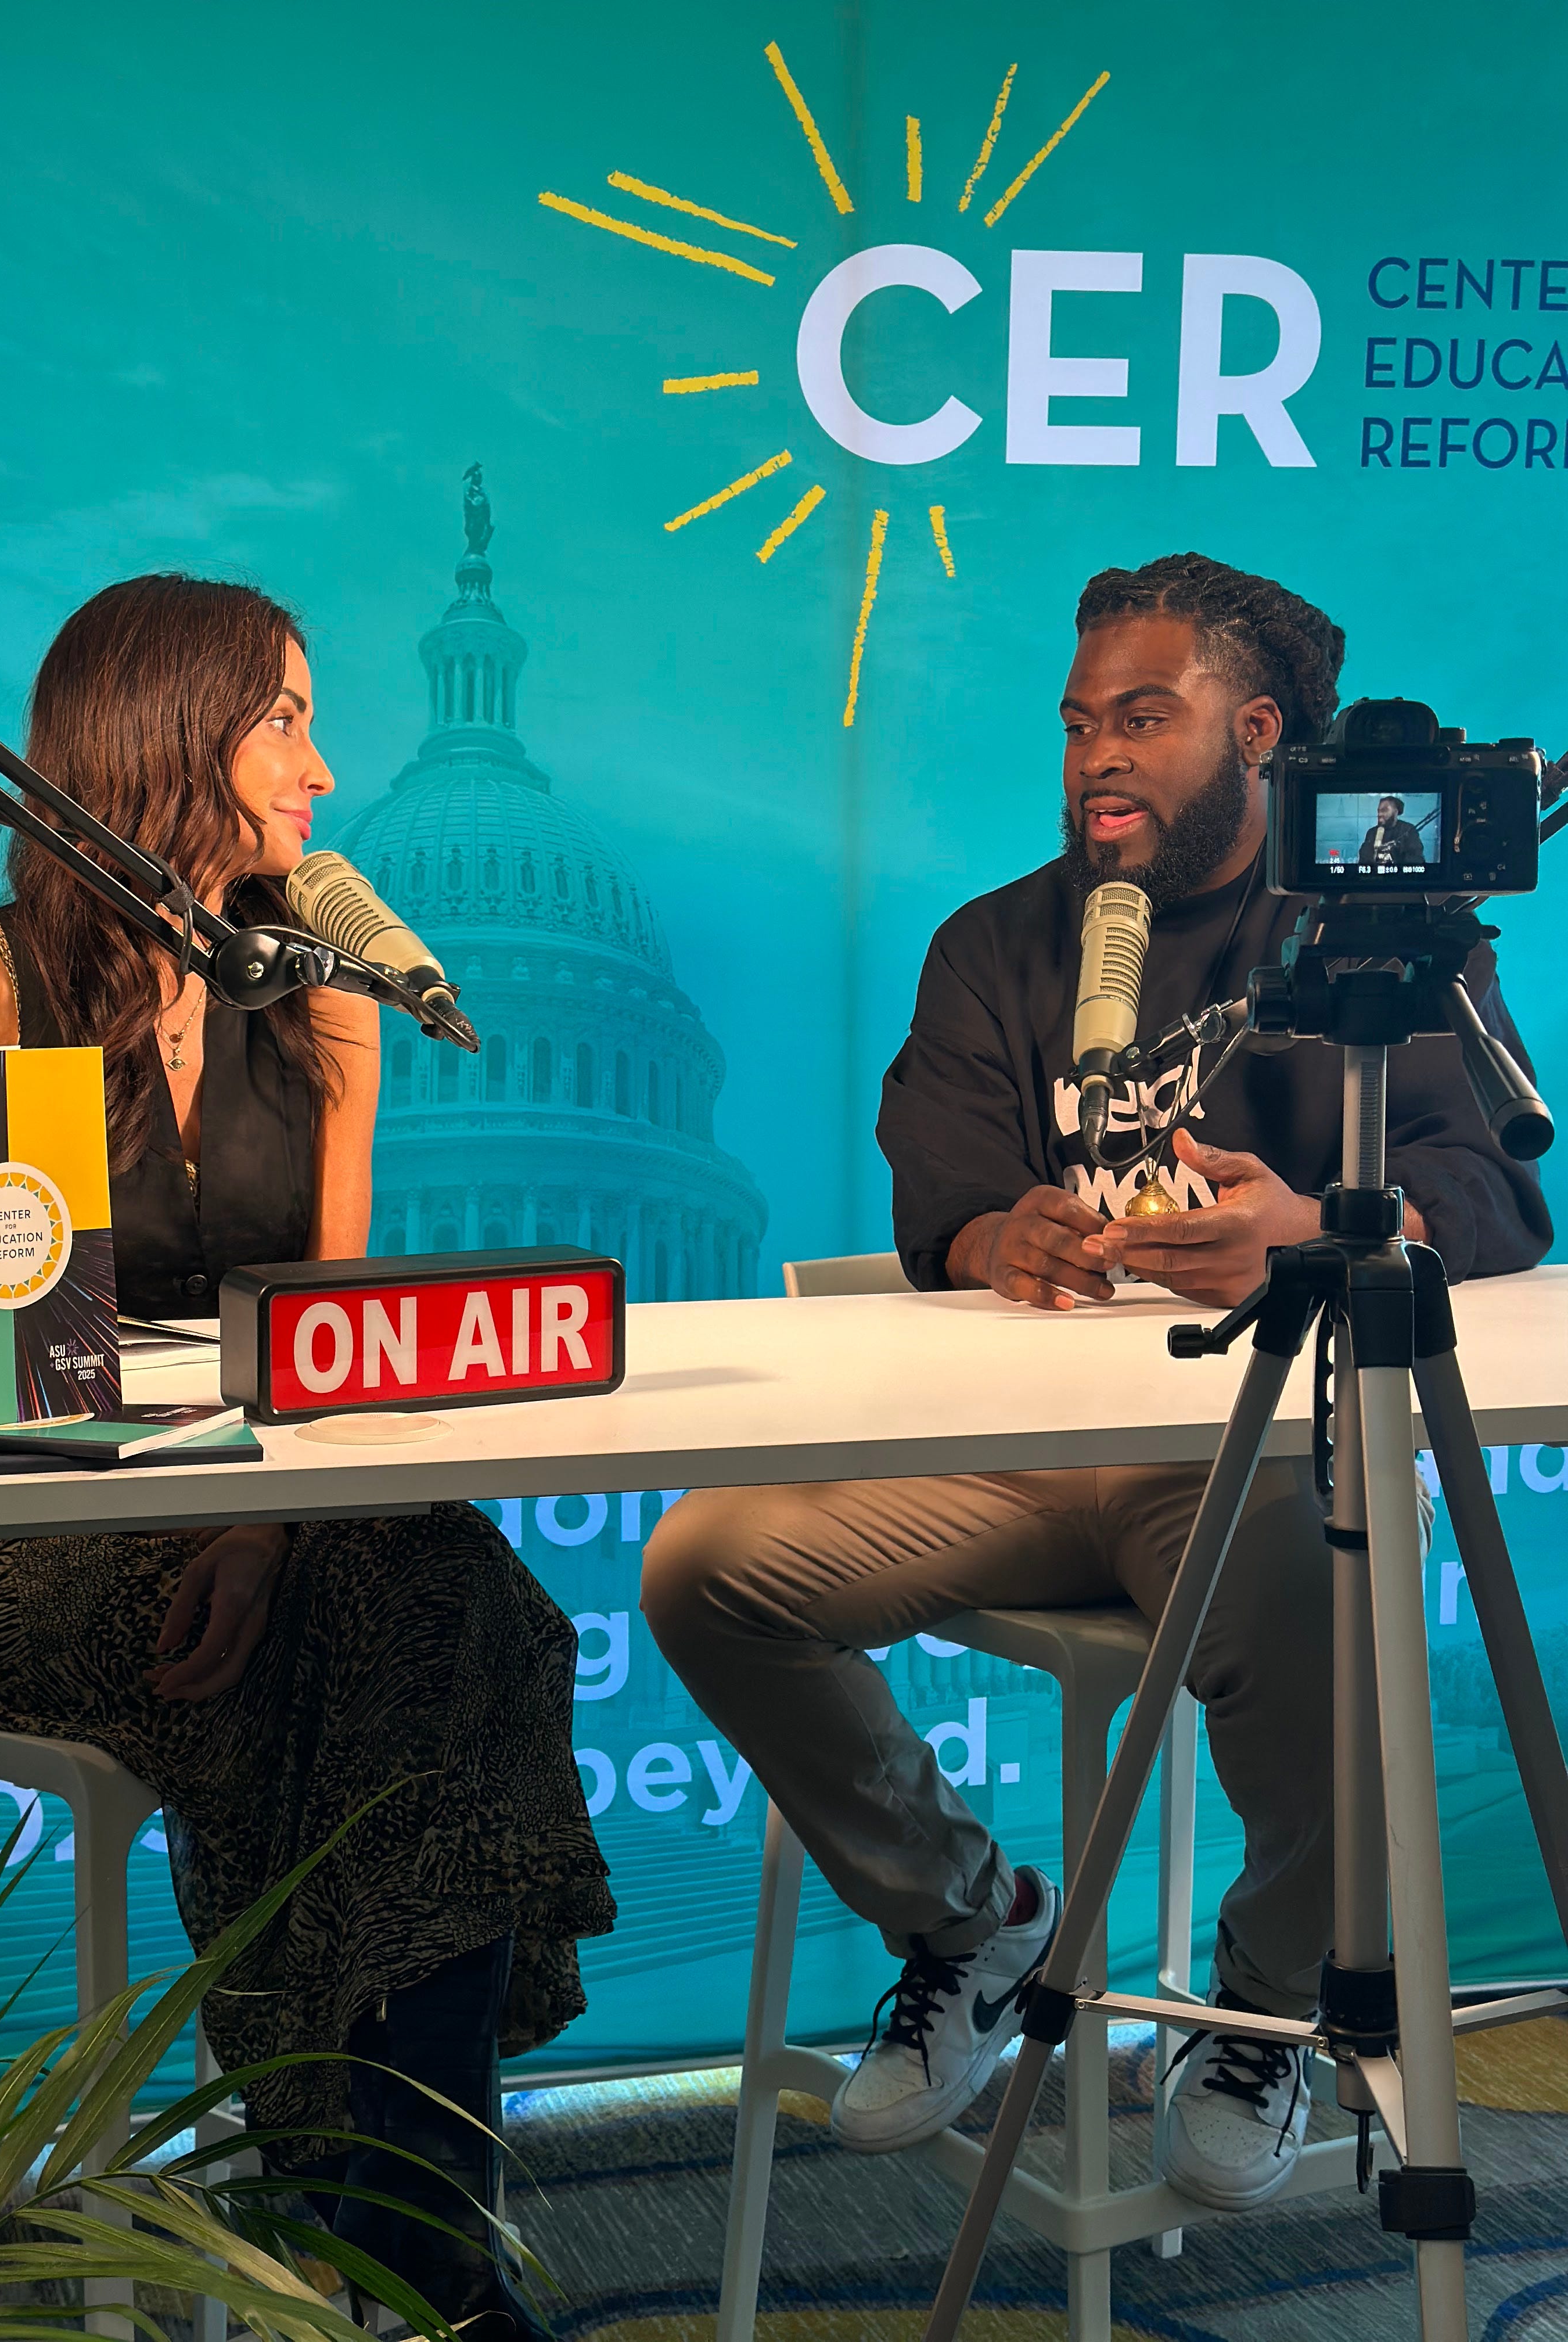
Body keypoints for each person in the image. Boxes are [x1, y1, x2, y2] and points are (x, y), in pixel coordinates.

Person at [643, 552, 1551, 2212]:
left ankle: (1263, 2008)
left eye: (1142, 719)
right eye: (1077, 727)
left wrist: (1316, 1231)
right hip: (996, 1450)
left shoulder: (1370, 937)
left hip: (1245, 1460)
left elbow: (1493, 1193)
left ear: (1259, 733)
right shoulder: (999, 943)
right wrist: (1004, 1235)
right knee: (705, 1566)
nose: (1095, 762)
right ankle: (972, 1925)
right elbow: (939, 1195)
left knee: (1336, 1581)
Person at [0, 573, 614, 2338]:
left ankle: (377, 2244)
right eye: (286, 719)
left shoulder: (325, 1007)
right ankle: (410, 2258)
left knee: (423, 1588)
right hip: (15, 1530)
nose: (324, 771)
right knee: (417, 1633)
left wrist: (261, 1526)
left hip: (267, 1529)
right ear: (167, 733)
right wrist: (218, 1511)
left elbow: (319, 1360)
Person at [1358, 792, 1427, 868]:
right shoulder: (1372, 833)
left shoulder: (1408, 830)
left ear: (1396, 812)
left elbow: (1417, 859)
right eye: (1379, 811)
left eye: (1384, 810)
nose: (1380, 814)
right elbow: (1363, 860)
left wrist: (1398, 858)